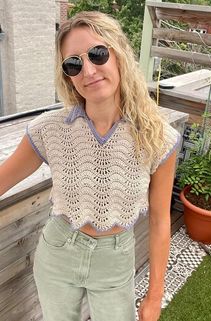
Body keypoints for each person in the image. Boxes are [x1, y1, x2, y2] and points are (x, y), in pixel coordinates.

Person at [0, 11, 181, 321]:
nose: (89, 70)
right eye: (74, 63)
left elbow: (160, 220)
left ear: (119, 53)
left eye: (98, 54)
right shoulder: (49, 129)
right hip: (57, 253)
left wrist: (154, 295)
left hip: (115, 261)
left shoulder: (159, 137)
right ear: (68, 76)